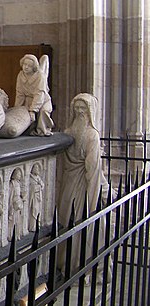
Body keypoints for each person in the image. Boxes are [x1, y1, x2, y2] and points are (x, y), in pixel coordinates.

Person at [58, 93, 111, 274]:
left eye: (83, 108)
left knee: (76, 221)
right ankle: (73, 265)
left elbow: (93, 168)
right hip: (74, 183)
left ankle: (75, 266)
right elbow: (93, 169)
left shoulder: (81, 134)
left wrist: (96, 191)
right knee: (72, 221)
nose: (79, 112)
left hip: (77, 184)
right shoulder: (86, 134)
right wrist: (98, 192)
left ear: (90, 112)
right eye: (77, 108)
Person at [14, 54, 54, 136]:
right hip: (28, 100)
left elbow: (39, 94)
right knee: (26, 117)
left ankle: (43, 131)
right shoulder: (21, 75)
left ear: (34, 67)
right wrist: (17, 108)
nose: (26, 67)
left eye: (29, 65)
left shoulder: (40, 76)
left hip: (42, 100)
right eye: (25, 64)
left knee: (43, 112)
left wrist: (33, 110)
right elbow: (20, 94)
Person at [8, 170, 25, 240]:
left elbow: (19, 193)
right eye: (18, 175)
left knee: (18, 220)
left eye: (20, 175)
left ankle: (17, 235)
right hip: (14, 204)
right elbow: (11, 196)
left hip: (19, 204)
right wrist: (10, 206)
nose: (20, 176)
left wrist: (22, 197)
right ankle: (11, 235)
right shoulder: (12, 184)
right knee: (13, 221)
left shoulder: (18, 183)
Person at [29, 163, 44, 231]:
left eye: (38, 168)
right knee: (34, 210)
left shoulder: (38, 178)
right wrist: (38, 187)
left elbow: (43, 185)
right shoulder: (31, 178)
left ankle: (38, 224)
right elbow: (31, 188)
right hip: (34, 197)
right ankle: (32, 226)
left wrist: (40, 185)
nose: (38, 170)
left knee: (38, 211)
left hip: (39, 197)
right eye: (36, 168)